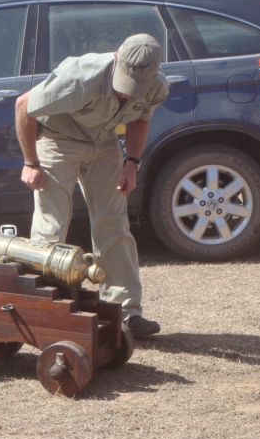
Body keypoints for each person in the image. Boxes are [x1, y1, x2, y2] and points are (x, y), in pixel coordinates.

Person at [14, 34, 169, 338]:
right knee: (51, 226)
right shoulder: (79, 77)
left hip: (104, 141)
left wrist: (132, 163)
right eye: (123, 84)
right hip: (58, 139)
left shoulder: (157, 86)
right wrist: (31, 162)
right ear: (116, 59)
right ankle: (43, 311)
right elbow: (23, 106)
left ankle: (126, 312)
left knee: (114, 223)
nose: (126, 93)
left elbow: (139, 119)